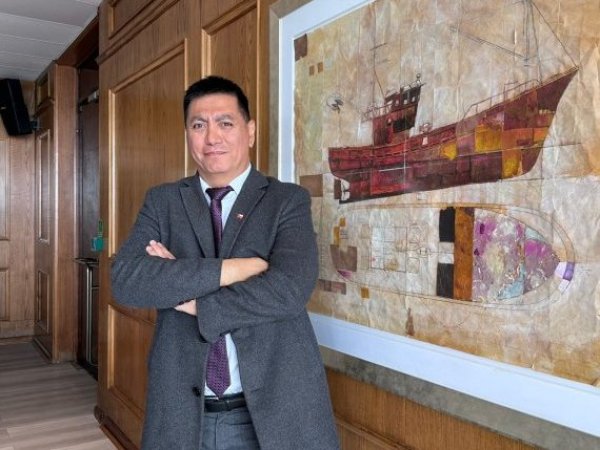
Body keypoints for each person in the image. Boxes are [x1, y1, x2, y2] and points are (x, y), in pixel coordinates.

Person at [111, 75, 340, 450]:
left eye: (225, 123)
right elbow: (126, 280)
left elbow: (289, 290)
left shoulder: (286, 201)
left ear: (250, 131)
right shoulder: (163, 202)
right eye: (199, 125)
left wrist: (192, 300)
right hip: (183, 412)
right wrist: (236, 269)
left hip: (275, 410)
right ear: (188, 134)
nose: (212, 137)